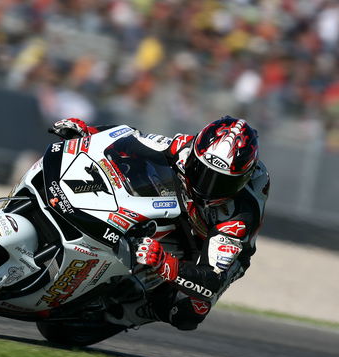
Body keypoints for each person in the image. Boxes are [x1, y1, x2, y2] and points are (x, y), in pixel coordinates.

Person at [48, 116, 270, 330]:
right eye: (202, 172)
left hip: (208, 241)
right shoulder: (184, 147)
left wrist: (166, 264)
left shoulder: (240, 215)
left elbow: (211, 279)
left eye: (222, 182)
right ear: (195, 154)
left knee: (188, 312)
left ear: (243, 179)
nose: (208, 187)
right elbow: (131, 139)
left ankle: (134, 311)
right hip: (181, 211)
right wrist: (89, 132)